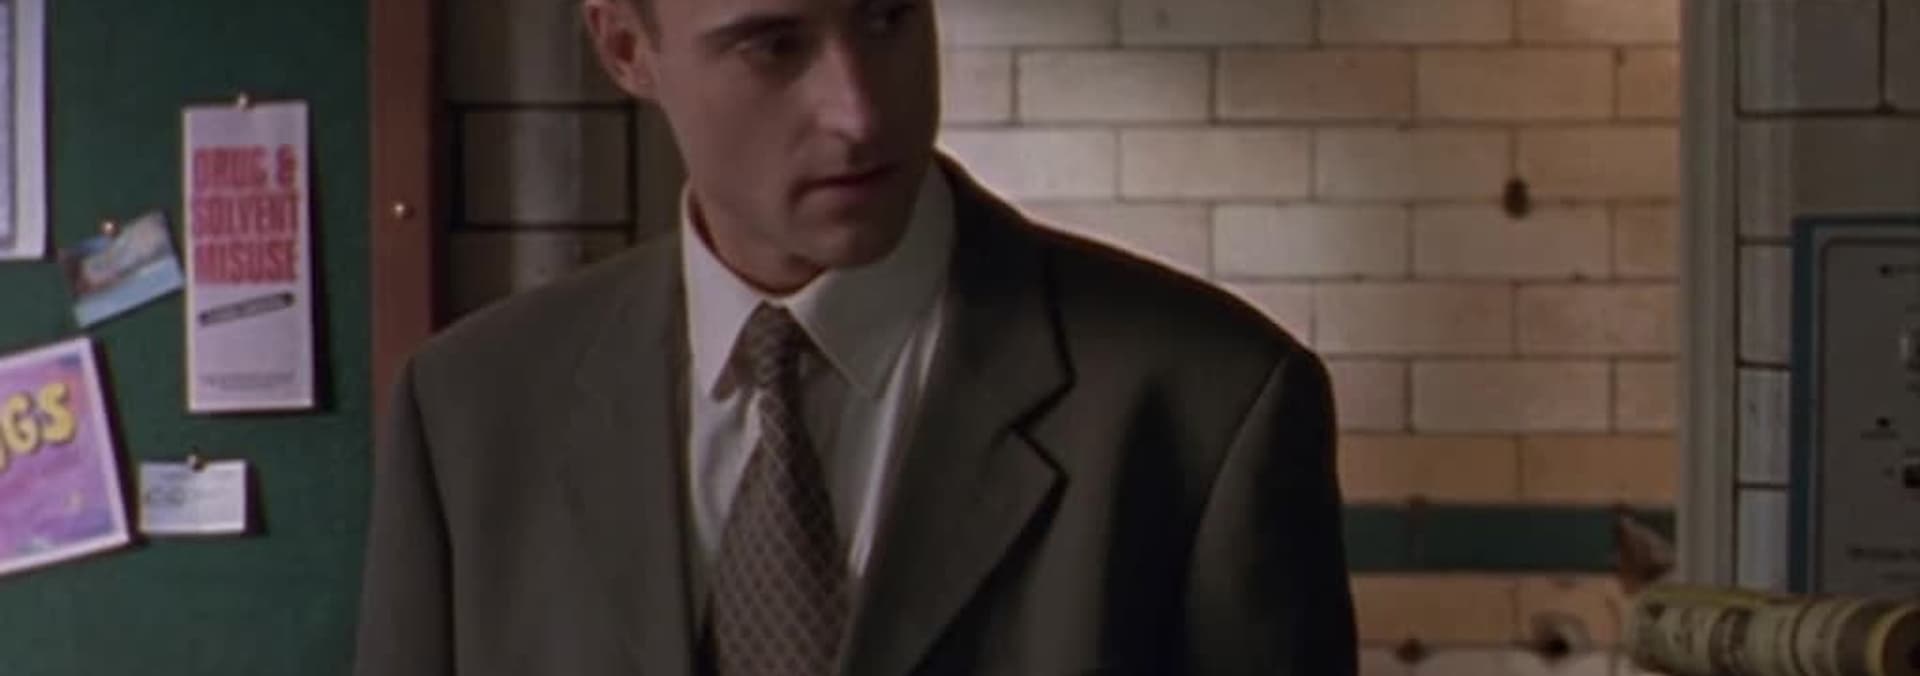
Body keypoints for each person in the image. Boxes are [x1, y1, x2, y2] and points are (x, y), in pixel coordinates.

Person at [352, 0, 1357, 673]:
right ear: (625, 48)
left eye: (887, 16)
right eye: (773, 44)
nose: (860, 112)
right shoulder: (474, 411)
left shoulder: (1203, 404)